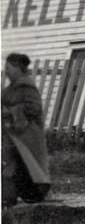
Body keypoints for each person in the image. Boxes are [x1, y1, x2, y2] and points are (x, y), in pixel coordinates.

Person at [2, 52, 51, 205]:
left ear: (17, 68)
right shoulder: (10, 89)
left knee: (28, 166)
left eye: (8, 67)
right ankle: (8, 196)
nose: (6, 71)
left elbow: (34, 108)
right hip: (13, 134)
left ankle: (32, 194)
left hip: (27, 136)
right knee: (12, 165)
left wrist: (11, 112)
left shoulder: (27, 87)